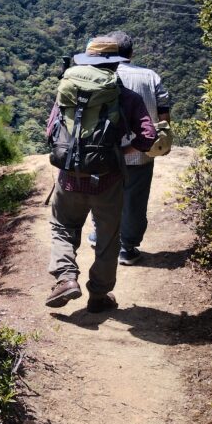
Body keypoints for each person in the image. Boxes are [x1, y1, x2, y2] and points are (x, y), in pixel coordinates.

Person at [45, 36, 157, 313]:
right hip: (108, 180)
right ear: (115, 64)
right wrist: (121, 149)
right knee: (108, 238)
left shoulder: (67, 91)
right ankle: (98, 297)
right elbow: (148, 137)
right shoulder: (126, 97)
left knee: (63, 228)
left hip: (69, 178)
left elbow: (50, 133)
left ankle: (66, 278)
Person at [108, 30, 173, 265]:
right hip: (141, 153)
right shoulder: (151, 76)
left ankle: (101, 237)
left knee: (106, 195)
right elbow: (164, 116)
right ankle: (127, 248)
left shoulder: (102, 75)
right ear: (131, 53)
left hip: (106, 152)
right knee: (135, 201)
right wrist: (161, 143)